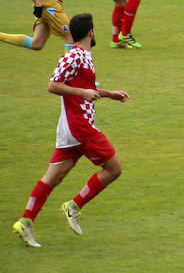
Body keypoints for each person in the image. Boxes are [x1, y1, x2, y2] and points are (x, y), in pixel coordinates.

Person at [12, 13, 129, 248]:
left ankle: (25, 222)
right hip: (81, 128)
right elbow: (53, 85)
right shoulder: (74, 56)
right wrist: (83, 94)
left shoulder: (85, 56)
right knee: (114, 168)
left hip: (71, 130)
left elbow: (86, 87)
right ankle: (73, 206)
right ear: (90, 32)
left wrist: (109, 94)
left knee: (53, 178)